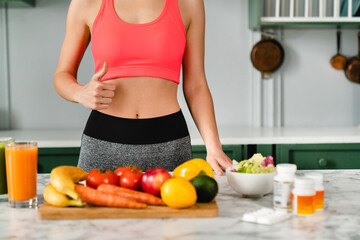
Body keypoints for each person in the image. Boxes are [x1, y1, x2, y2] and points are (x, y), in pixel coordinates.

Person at [53, 0, 232, 175]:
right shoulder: (86, 3)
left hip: (169, 144)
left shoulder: (189, 3)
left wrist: (214, 147)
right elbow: (62, 75)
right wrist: (79, 93)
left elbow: (196, 85)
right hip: (103, 143)